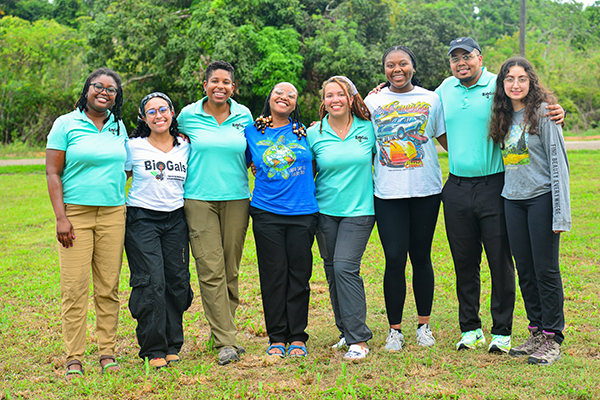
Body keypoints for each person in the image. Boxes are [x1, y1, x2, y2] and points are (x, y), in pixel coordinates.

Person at [435, 37, 564, 353]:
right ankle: (475, 329)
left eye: (468, 56)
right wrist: (376, 93)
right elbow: (415, 102)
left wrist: (556, 111)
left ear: (480, 58)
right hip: (469, 188)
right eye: (455, 58)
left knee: (510, 263)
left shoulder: (502, 86)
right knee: (470, 262)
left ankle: (508, 332)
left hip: (501, 188)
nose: (461, 62)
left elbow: (537, 120)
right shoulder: (444, 90)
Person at [364, 46, 447, 351]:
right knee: (395, 259)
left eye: (403, 64)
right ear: (384, 69)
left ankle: (424, 326)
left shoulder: (431, 99)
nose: (396, 69)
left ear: (414, 66)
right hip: (388, 193)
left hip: (425, 190)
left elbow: (446, 138)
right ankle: (395, 331)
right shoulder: (371, 101)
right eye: (390, 65)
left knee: (422, 258)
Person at [46, 68, 127, 380]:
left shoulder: (118, 126)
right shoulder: (66, 123)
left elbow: (126, 168)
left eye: (111, 89)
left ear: (116, 97)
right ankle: (74, 358)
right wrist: (61, 217)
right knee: (75, 288)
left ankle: (107, 352)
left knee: (108, 287)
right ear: (87, 89)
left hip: (113, 214)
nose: (104, 93)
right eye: (98, 86)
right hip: (75, 216)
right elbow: (53, 172)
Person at [489, 57, 570, 365]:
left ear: (531, 82)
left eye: (521, 78)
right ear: (503, 85)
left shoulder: (545, 113)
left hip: (542, 199)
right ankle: (536, 330)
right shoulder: (502, 115)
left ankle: (552, 338)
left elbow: (559, 164)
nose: (515, 84)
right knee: (524, 270)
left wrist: (560, 213)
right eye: (509, 79)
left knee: (545, 270)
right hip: (512, 200)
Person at [177, 60, 253, 366]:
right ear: (205, 85)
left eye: (226, 82)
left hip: (237, 197)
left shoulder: (244, 115)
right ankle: (226, 341)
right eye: (214, 81)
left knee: (230, 269)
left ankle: (222, 330)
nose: (220, 86)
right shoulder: (187, 116)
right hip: (198, 199)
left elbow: (257, 149)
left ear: (233, 87)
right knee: (210, 269)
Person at [245, 82, 319, 357]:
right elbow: (238, 160)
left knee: (299, 275)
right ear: (270, 97)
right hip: (266, 212)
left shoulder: (307, 132)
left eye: (291, 95)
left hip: (303, 212)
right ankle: (276, 336)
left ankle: (297, 336)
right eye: (279, 92)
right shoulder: (252, 131)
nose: (284, 97)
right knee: (273, 276)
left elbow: (318, 163)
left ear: (295, 103)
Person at [307, 76, 376, 362]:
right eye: (328, 95)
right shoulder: (313, 133)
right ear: (323, 101)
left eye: (340, 94)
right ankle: (345, 332)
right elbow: (307, 172)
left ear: (351, 99)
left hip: (360, 211)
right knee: (332, 270)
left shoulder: (370, 129)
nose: (334, 99)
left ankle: (358, 338)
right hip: (324, 212)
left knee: (346, 268)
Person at [124, 92, 193, 369]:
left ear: (172, 113)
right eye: (151, 112)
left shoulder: (185, 146)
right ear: (143, 118)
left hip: (176, 219)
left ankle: (173, 343)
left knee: (176, 281)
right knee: (151, 281)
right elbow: (119, 175)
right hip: (142, 219)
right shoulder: (133, 146)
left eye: (163, 109)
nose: (158, 115)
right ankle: (153, 348)